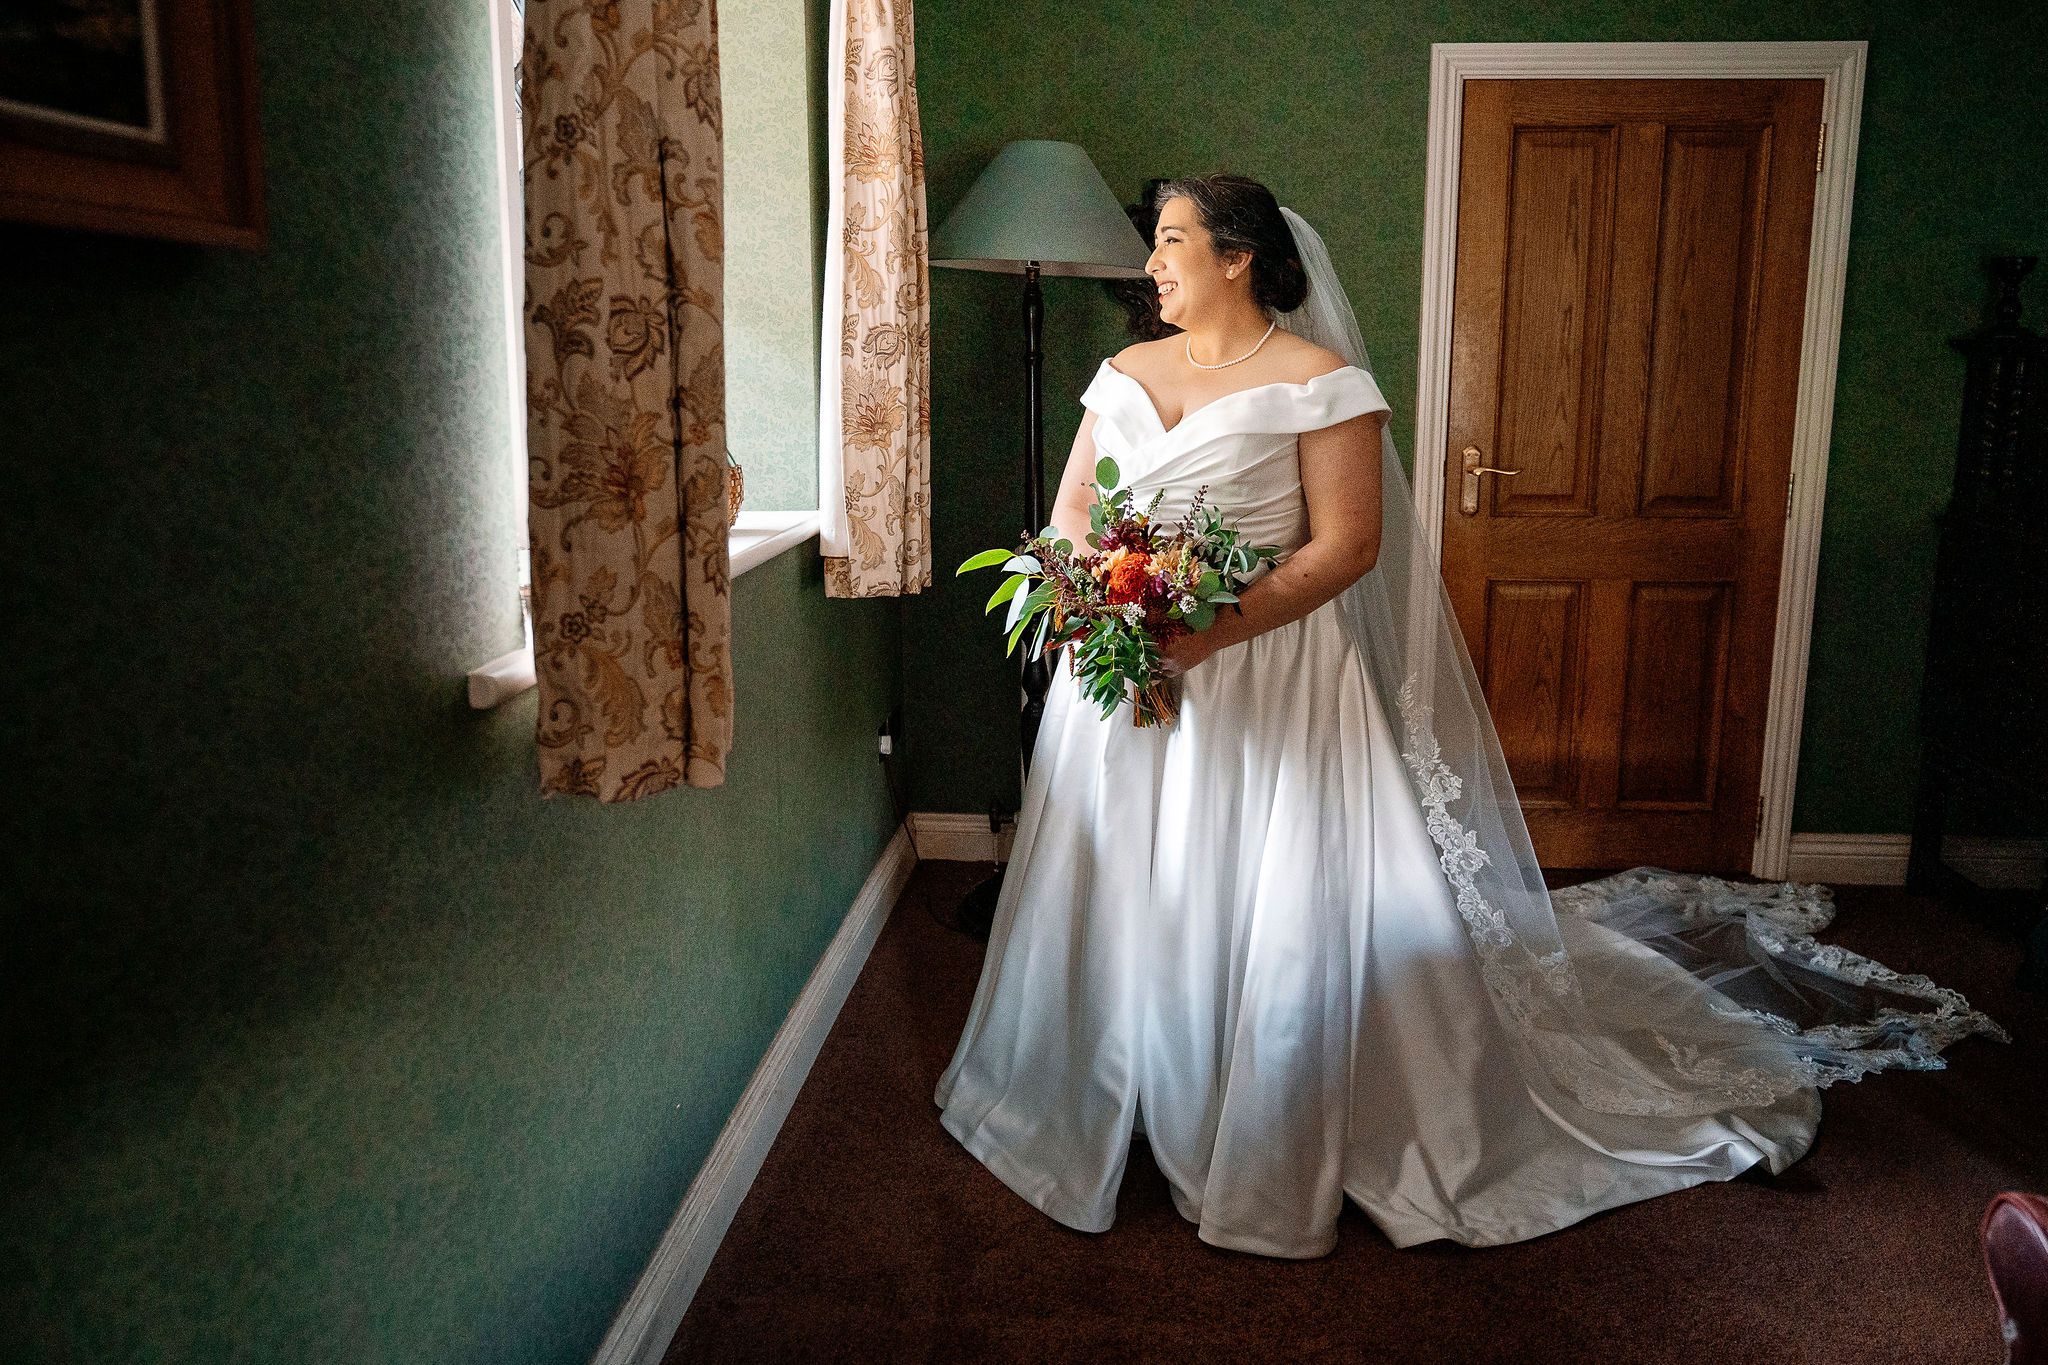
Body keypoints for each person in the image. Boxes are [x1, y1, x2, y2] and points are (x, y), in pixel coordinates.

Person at [933, 172, 2008, 1259]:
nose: (1150, 265)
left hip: (1264, 670)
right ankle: (1118, 1089)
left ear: (1238, 255)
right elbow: (1075, 511)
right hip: (1121, 677)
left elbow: (1345, 547)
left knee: (1263, 890)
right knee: (1123, 877)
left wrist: (1202, 634)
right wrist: (1096, 607)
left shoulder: (1319, 381)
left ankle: (1264, 1125)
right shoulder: (1122, 370)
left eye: (1169, 241)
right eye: (1153, 245)